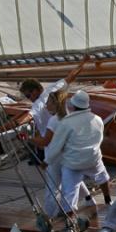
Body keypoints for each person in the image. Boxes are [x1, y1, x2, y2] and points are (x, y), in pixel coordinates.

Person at [45, 90, 111, 219]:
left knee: (69, 193)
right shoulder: (98, 119)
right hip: (93, 159)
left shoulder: (66, 122)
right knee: (103, 177)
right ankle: (108, 200)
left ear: (73, 105)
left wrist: (46, 161)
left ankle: (70, 221)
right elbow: (99, 139)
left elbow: (55, 146)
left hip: (73, 163)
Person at [39, 90, 91, 218]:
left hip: (55, 159)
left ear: (55, 104)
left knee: (52, 187)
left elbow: (46, 142)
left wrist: (29, 139)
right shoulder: (70, 116)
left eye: (48, 102)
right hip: (69, 155)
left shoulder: (53, 120)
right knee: (74, 181)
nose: (46, 105)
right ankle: (90, 200)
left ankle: (49, 215)